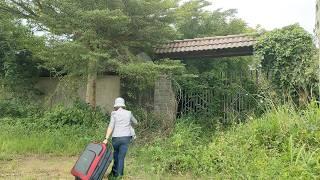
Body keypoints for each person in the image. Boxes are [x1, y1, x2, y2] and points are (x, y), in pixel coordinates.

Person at [103, 97, 137, 177]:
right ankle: (119, 176)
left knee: (116, 156)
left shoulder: (114, 113)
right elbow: (136, 122)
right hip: (125, 138)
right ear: (123, 105)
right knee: (121, 157)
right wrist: (129, 123)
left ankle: (114, 173)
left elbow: (111, 126)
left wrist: (106, 138)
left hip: (116, 138)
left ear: (116, 106)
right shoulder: (129, 113)